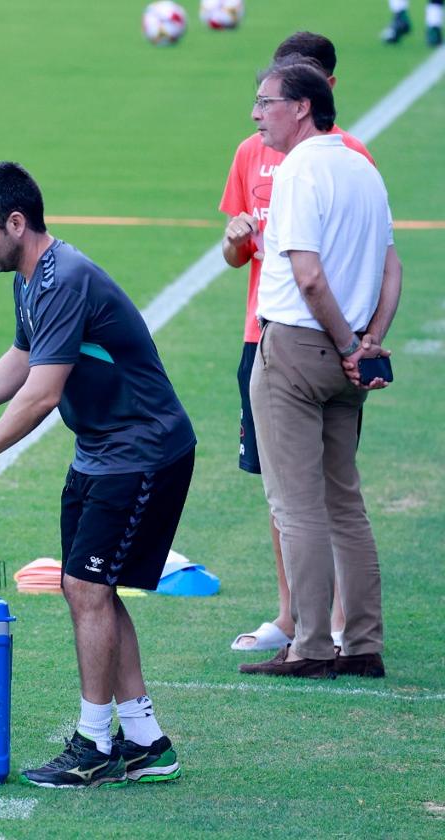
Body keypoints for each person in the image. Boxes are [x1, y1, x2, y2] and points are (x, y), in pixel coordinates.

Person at [0, 162, 195, 787]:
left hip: (142, 452)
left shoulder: (64, 278)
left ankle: (95, 744)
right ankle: (146, 739)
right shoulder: (31, 275)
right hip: (103, 449)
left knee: (89, 588)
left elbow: (41, 395)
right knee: (87, 586)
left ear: (17, 223)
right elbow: (23, 355)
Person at [239, 62, 400, 679]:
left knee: (296, 506)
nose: (256, 115)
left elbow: (306, 274)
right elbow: (392, 269)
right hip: (349, 359)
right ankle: (362, 642)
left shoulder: (301, 170)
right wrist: (368, 342)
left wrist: (343, 342)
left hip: (299, 353)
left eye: (265, 103)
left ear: (301, 107)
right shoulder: (362, 166)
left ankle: (309, 645)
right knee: (345, 503)